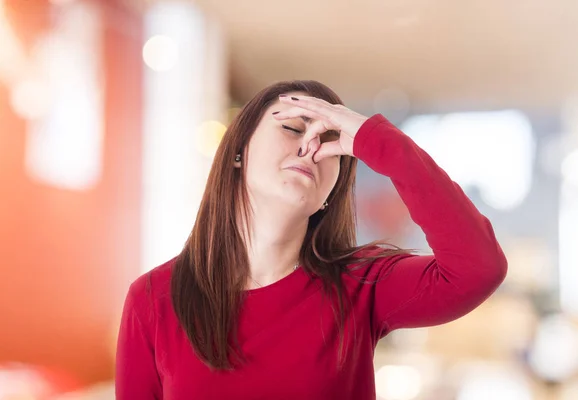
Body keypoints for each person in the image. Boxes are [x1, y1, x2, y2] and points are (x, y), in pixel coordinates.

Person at [115, 80, 507, 399]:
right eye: (291, 127)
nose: (310, 147)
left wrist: (378, 142)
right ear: (238, 151)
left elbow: (478, 267)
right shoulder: (153, 298)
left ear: (330, 192)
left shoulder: (360, 285)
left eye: (331, 143)